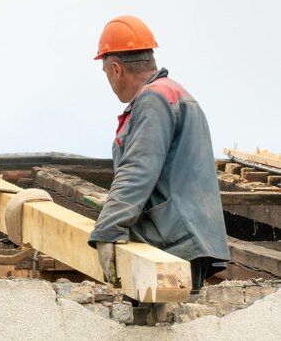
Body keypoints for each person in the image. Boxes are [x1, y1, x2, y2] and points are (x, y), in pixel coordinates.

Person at [87, 15, 230, 292]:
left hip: (173, 242)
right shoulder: (176, 94)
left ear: (116, 68)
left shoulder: (153, 99)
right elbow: (171, 173)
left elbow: (139, 168)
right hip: (187, 236)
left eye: (105, 73)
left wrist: (110, 227)